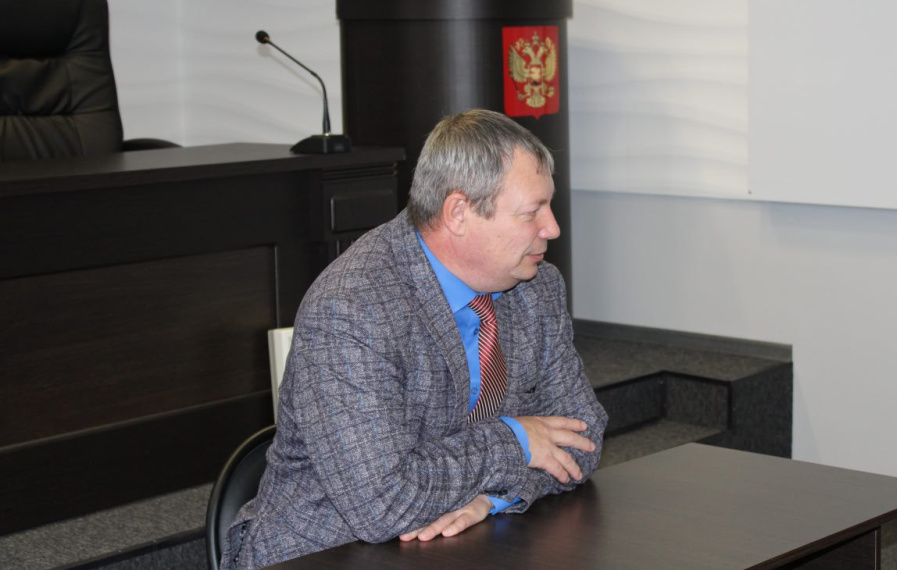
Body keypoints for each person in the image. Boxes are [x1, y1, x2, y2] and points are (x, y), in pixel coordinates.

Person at [222, 109, 608, 569]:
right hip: (326, 550)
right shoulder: (351, 307)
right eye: (531, 213)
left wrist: (494, 498)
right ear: (458, 213)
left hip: (459, 541)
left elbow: (583, 437)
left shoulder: (536, 287)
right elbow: (382, 504)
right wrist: (517, 440)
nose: (552, 228)